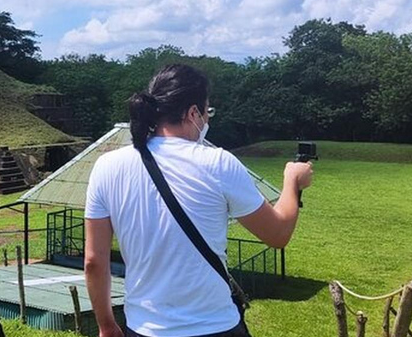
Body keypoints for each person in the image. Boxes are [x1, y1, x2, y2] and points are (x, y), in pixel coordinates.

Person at [84, 64, 314, 337]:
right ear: (193, 113)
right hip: (214, 326)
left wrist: (107, 325)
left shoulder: (107, 166)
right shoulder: (218, 163)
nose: (207, 120)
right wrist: (292, 182)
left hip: (143, 327)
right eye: (207, 112)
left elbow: (94, 261)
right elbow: (277, 234)